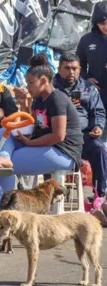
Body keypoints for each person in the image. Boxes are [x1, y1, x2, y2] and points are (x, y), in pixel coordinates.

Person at [0, 54, 84, 192]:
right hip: (44, 145)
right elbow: (31, 125)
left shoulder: (57, 99)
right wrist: (24, 104)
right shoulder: (38, 99)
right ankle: (4, 159)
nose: (27, 87)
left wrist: (30, 143)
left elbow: (58, 136)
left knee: (8, 165)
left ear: (42, 81)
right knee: (2, 133)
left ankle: (2, 201)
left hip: (63, 152)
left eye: (30, 83)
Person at [53, 52, 107, 196]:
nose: (71, 72)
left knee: (99, 148)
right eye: (67, 68)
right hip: (57, 138)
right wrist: (65, 106)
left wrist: (98, 126)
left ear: (80, 69)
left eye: (74, 68)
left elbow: (98, 111)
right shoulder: (51, 88)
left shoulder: (88, 88)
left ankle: (100, 195)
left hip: (83, 136)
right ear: (59, 69)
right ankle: (52, 196)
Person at [77, 1, 107, 110]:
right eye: (102, 24)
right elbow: (79, 65)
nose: (106, 27)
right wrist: (86, 79)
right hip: (97, 90)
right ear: (96, 23)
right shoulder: (86, 40)